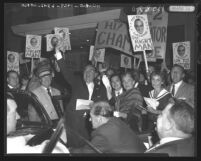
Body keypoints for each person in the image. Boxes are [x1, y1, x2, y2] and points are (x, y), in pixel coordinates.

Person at [54, 49, 109, 148]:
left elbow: (104, 103)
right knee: (74, 148)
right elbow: (66, 71)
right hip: (73, 122)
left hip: (90, 124)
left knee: (88, 147)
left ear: (95, 74)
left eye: (91, 71)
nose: (88, 73)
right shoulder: (77, 82)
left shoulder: (100, 88)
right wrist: (58, 54)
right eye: (86, 71)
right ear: (83, 73)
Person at [70, 101, 146, 153]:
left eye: (91, 117)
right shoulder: (115, 120)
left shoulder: (103, 134)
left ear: (99, 118)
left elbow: (86, 152)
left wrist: (69, 150)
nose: (89, 119)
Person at [145, 71, 172, 144]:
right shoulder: (150, 93)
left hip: (162, 126)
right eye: (153, 79)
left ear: (162, 81)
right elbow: (149, 109)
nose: (155, 82)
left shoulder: (167, 95)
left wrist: (155, 111)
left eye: (158, 80)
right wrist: (145, 110)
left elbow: (170, 113)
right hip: (150, 125)